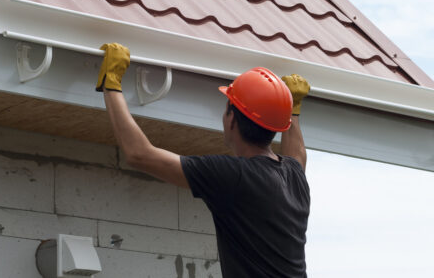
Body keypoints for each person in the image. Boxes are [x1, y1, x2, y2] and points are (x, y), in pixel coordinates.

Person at [97, 42, 311, 277]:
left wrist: (112, 83)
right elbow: (297, 154)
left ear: (232, 119)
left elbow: (140, 154)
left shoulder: (234, 176)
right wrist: (293, 109)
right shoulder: (294, 176)